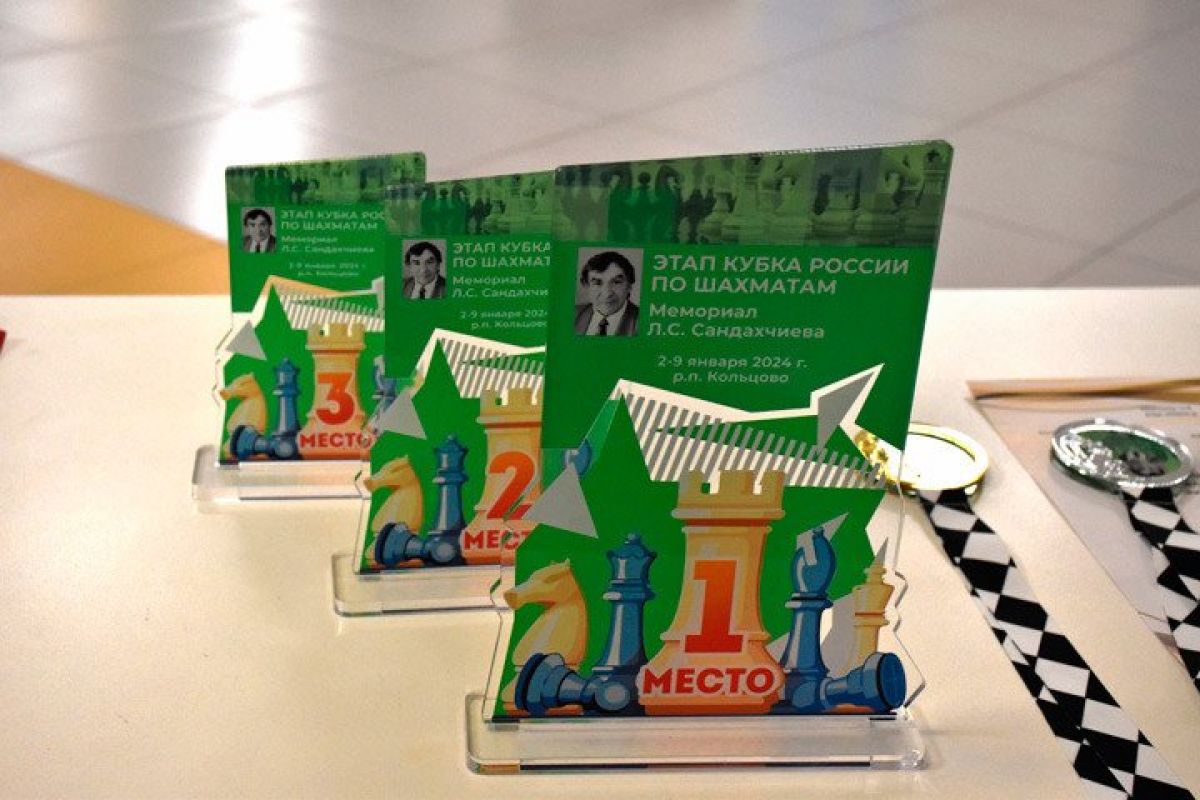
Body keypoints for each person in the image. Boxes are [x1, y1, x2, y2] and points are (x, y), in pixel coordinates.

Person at [574, 250, 638, 336]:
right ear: (586, 286)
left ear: (629, 286)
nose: (607, 294)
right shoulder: (571, 314)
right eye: (597, 283)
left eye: (616, 282)